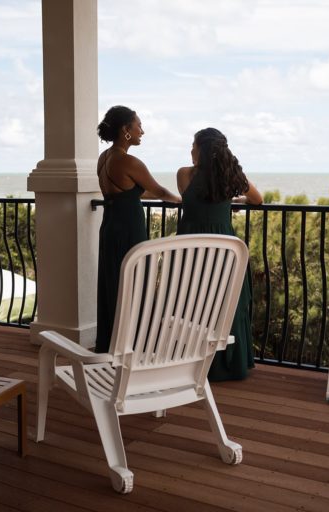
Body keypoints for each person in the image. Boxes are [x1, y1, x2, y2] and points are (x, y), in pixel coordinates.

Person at [176, 127, 262, 380]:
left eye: (193, 146)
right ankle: (228, 364)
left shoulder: (184, 175)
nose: (191, 150)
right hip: (224, 249)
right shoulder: (231, 175)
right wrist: (235, 202)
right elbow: (257, 199)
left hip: (191, 249)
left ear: (202, 149)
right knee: (225, 303)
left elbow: (190, 200)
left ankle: (192, 360)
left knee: (193, 302)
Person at [95, 106, 181, 353]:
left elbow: (130, 192)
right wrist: (182, 200)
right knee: (135, 282)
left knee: (113, 283)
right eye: (138, 125)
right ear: (126, 130)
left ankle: (112, 343)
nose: (142, 131)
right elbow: (160, 191)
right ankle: (135, 345)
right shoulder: (130, 161)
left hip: (110, 227)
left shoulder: (105, 158)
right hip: (129, 230)